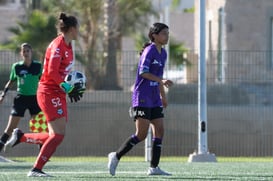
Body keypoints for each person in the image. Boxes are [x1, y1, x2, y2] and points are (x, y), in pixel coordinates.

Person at [4, 12, 84, 177]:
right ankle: (36, 169)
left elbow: (62, 72)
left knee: (53, 135)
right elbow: (52, 72)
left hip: (58, 92)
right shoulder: (58, 45)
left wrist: (70, 86)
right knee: (59, 135)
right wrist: (67, 88)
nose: (79, 31)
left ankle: (21, 137)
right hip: (48, 92)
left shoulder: (69, 46)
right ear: (71, 29)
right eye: (77, 28)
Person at [108, 22, 173, 176]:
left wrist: (163, 96)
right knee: (141, 134)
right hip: (142, 96)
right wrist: (161, 81)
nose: (167, 36)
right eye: (164, 33)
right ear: (154, 36)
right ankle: (116, 156)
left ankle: (154, 168)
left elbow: (159, 77)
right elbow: (144, 73)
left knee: (160, 131)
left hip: (154, 98)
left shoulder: (163, 53)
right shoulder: (149, 51)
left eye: (167, 34)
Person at [0, 43, 42, 152]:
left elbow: (44, 81)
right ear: (21, 53)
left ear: (31, 52)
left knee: (38, 128)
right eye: (24, 51)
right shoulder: (17, 67)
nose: (26, 53)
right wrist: (3, 95)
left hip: (35, 99)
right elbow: (11, 82)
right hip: (21, 99)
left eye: (28, 51)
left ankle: (43, 155)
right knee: (10, 129)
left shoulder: (38, 66)